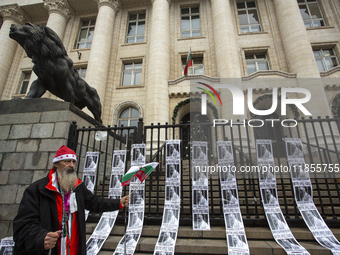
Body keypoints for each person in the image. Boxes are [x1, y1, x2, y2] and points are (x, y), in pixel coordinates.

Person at [13, 145, 130, 255]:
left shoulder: (78, 187)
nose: (71, 165)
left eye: (73, 162)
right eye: (67, 161)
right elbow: (23, 226)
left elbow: (95, 202)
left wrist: (118, 203)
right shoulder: (37, 190)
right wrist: (41, 237)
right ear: (56, 164)